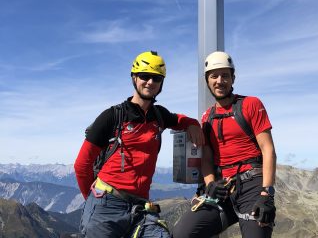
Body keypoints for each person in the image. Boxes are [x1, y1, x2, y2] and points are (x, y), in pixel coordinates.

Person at [74, 50, 204, 238]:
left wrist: (193, 124)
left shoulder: (159, 116)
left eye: (156, 78)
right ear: (134, 78)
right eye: (145, 76)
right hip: (106, 203)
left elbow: (180, 119)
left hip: (140, 207)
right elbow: (82, 165)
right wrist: (93, 201)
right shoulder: (112, 117)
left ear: (161, 83)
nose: (150, 82)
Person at [172, 51, 277, 238]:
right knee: (182, 233)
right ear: (207, 81)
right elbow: (207, 157)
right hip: (223, 188)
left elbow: (268, 149)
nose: (219, 80)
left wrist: (266, 194)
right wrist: (210, 183)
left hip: (253, 185)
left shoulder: (251, 104)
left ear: (233, 78)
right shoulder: (207, 117)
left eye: (225, 75)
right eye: (214, 76)